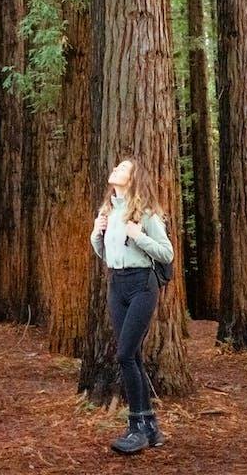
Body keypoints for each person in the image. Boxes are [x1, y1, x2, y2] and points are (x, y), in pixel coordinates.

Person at [90, 157, 174, 455]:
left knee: (125, 354)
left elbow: (166, 253)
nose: (115, 170)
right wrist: (96, 234)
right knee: (133, 356)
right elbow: (105, 253)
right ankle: (150, 427)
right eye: (115, 167)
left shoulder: (147, 213)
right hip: (116, 284)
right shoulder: (108, 211)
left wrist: (139, 237)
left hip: (142, 284)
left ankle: (136, 426)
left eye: (123, 168)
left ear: (134, 178)